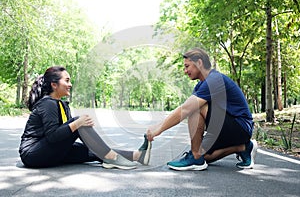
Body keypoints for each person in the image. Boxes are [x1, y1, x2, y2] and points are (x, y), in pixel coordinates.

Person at [146, 48, 258, 171]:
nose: (185, 71)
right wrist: (157, 126)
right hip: (227, 129)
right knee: (205, 156)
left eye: (187, 66)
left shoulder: (214, 80)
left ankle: (195, 157)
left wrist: (158, 130)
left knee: (195, 108)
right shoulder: (201, 85)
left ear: (199, 63)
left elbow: (186, 109)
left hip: (240, 126)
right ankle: (243, 147)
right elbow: (189, 112)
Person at [19, 66, 151, 170]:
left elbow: (64, 134)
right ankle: (112, 158)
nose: (70, 84)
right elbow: (53, 136)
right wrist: (78, 123)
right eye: (67, 80)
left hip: (48, 151)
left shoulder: (62, 104)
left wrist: (80, 129)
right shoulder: (47, 103)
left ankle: (137, 156)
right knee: (78, 121)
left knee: (93, 148)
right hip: (33, 153)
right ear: (54, 85)